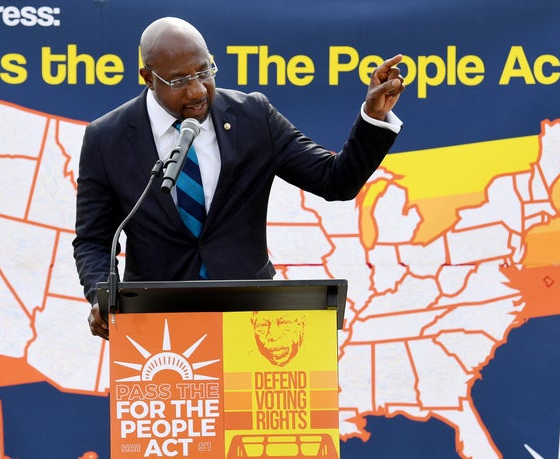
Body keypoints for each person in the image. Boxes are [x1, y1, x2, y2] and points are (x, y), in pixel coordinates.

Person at [73, 17, 405, 339]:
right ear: (148, 77)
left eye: (204, 72)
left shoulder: (253, 117)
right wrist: (102, 296)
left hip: (251, 321)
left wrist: (372, 118)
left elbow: (336, 180)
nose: (196, 90)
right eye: (179, 80)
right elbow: (94, 241)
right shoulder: (107, 139)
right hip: (155, 328)